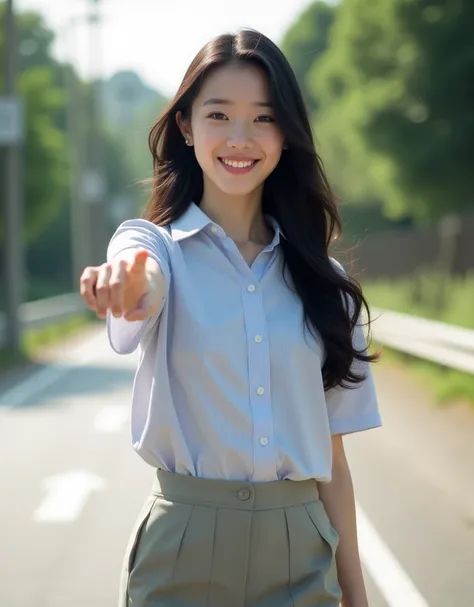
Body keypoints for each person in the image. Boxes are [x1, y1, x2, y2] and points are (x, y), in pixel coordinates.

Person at [79, 29, 381, 607]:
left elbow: (333, 462)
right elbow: (141, 272)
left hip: (301, 548)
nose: (240, 139)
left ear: (286, 135)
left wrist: (357, 593)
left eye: (263, 119)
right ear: (187, 126)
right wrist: (128, 282)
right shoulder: (156, 248)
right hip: (182, 546)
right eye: (219, 115)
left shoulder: (328, 289)